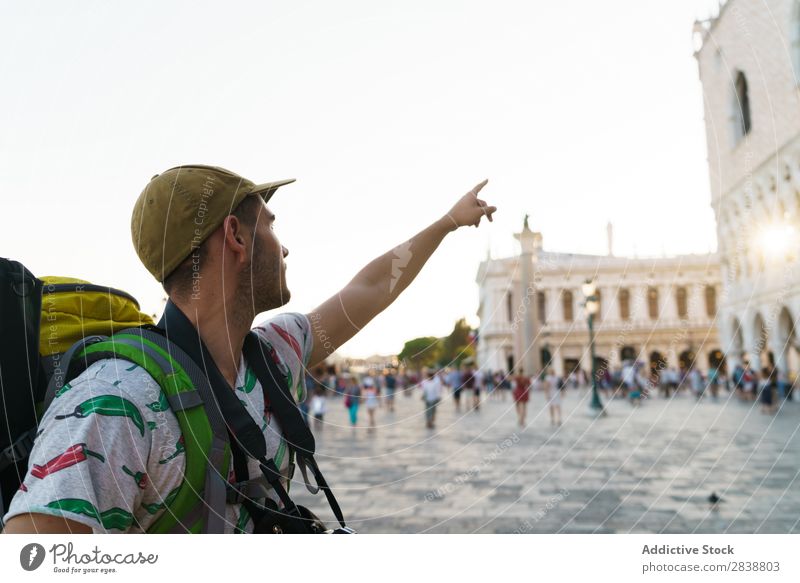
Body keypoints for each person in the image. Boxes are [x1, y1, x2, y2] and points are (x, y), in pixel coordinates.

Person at [2, 164, 496, 534]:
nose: (283, 248)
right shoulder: (115, 402)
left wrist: (447, 222)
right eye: (271, 225)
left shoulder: (273, 352)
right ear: (235, 236)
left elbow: (368, 290)